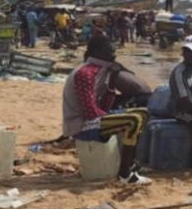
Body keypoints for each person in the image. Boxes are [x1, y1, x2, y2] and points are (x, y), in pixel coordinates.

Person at [62, 36, 150, 184]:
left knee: (143, 112)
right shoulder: (85, 73)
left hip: (92, 119)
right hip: (81, 125)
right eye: (110, 52)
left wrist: (113, 78)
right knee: (133, 120)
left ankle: (130, 163)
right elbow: (89, 112)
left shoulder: (101, 70)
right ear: (98, 52)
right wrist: (111, 116)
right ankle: (125, 174)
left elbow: (106, 103)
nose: (114, 55)